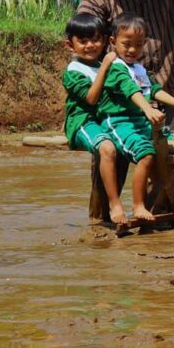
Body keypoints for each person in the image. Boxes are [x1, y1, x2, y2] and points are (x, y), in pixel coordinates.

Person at [97, 12, 174, 223]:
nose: (133, 49)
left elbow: (154, 90)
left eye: (139, 44)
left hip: (137, 121)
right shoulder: (117, 68)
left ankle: (165, 201)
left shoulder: (139, 68)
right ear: (113, 42)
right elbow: (131, 89)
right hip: (118, 121)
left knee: (166, 150)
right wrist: (148, 109)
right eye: (127, 44)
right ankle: (138, 206)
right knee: (146, 154)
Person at [61, 13, 125, 224]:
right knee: (107, 148)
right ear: (71, 45)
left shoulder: (105, 66)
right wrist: (106, 66)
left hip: (105, 121)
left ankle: (151, 204)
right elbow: (91, 98)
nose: (90, 45)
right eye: (83, 41)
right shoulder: (73, 70)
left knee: (132, 146)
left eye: (96, 39)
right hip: (83, 121)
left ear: (105, 40)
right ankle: (114, 206)